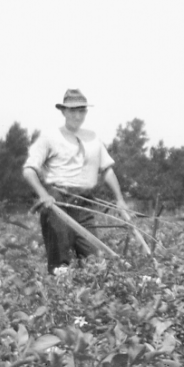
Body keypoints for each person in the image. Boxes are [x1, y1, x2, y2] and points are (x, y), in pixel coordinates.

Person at [23, 89, 129, 273]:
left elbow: (107, 171)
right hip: (57, 203)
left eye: (81, 110)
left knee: (96, 262)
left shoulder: (93, 138)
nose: (77, 115)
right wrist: (44, 195)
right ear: (63, 112)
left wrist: (119, 200)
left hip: (83, 204)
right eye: (72, 110)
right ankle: (58, 297)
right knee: (60, 265)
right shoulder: (50, 137)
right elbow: (29, 170)